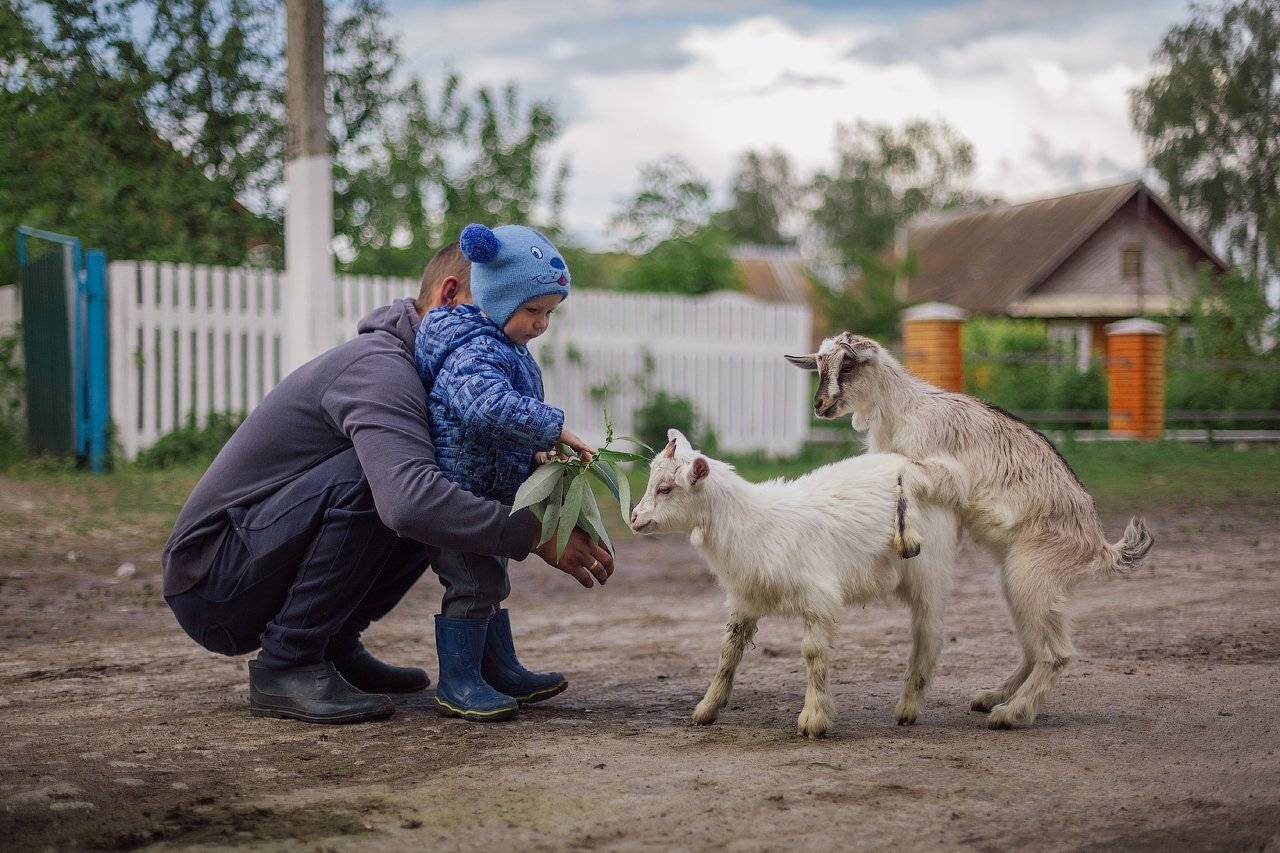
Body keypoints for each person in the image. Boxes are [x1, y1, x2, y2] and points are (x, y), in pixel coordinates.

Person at [161, 239, 614, 725]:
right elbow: (408, 505)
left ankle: (334, 643)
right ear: (451, 293)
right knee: (400, 483)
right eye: (522, 310)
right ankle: (288, 662)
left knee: (439, 477)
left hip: (255, 557)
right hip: (214, 580)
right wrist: (535, 536)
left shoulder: (438, 366)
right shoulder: (378, 369)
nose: (536, 329)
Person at [415, 222, 595, 722]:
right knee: (473, 585)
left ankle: (499, 668)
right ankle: (459, 682)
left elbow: (497, 427)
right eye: (532, 310)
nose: (541, 324)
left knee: (491, 581)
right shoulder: (469, 350)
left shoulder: (501, 346)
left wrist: (534, 457)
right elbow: (486, 409)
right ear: (494, 297)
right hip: (460, 497)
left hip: (489, 490)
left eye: (549, 313)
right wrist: (550, 429)